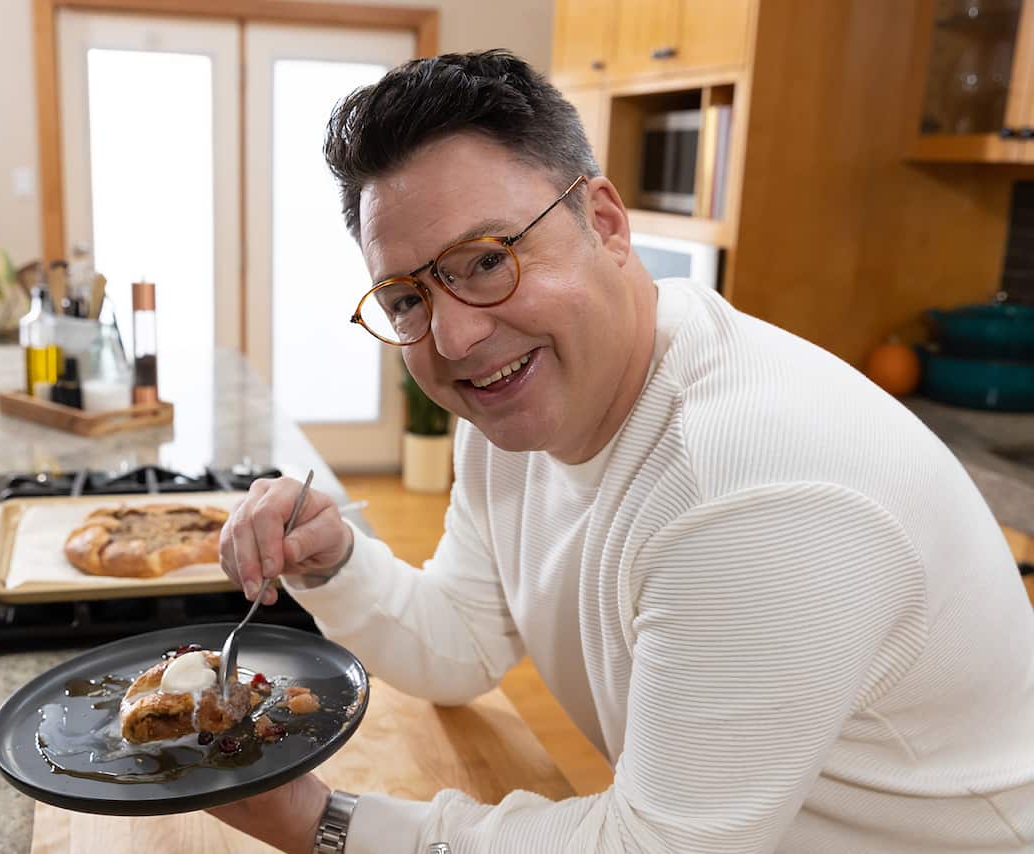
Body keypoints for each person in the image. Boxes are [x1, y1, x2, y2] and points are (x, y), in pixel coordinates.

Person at [210, 50, 1034, 853]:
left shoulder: (752, 490)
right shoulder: (519, 410)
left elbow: (658, 844)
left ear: (603, 223)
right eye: (406, 297)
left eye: (489, 259)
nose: (456, 334)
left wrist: (324, 823)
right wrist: (335, 560)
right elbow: (461, 643)